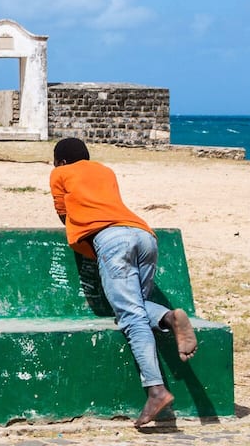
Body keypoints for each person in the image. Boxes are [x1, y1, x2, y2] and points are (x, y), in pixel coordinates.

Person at [48, 138, 198, 427]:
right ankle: (168, 317)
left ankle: (155, 390)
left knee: (131, 318)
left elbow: (63, 213)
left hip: (112, 240)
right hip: (143, 234)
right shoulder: (105, 170)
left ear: (61, 162)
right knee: (138, 308)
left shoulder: (60, 174)